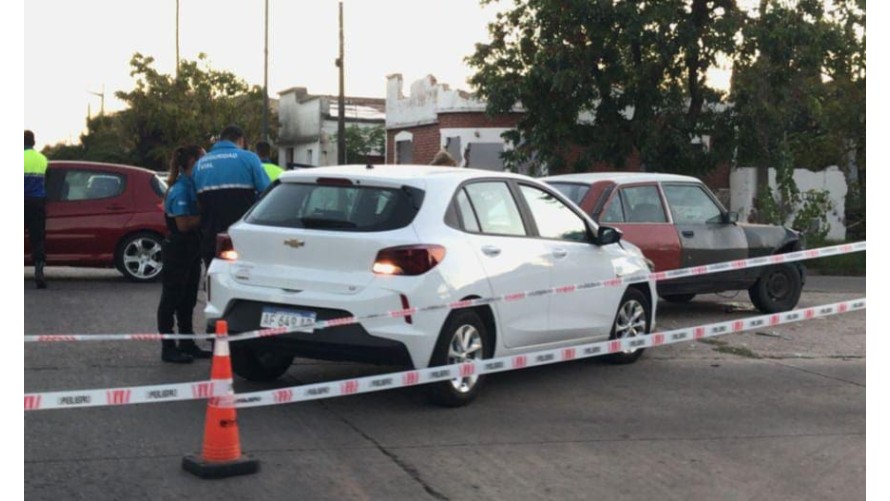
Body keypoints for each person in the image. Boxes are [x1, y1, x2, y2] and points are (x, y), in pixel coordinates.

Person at [157, 145, 212, 363]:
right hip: (178, 249)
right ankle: (168, 347)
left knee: (188, 299)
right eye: (203, 158)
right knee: (171, 299)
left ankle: (187, 343)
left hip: (191, 249)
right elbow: (183, 224)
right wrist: (208, 214)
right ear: (192, 162)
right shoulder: (180, 189)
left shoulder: (192, 185)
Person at [193, 125, 271, 268]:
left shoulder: (199, 164)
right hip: (242, 235)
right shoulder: (249, 158)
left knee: (214, 275)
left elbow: (195, 202)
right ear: (240, 140)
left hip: (211, 236)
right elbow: (267, 193)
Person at [24, 130, 49, 289]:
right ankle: (39, 271)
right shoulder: (42, 159)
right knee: (37, 238)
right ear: (33, 142)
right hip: (37, 202)